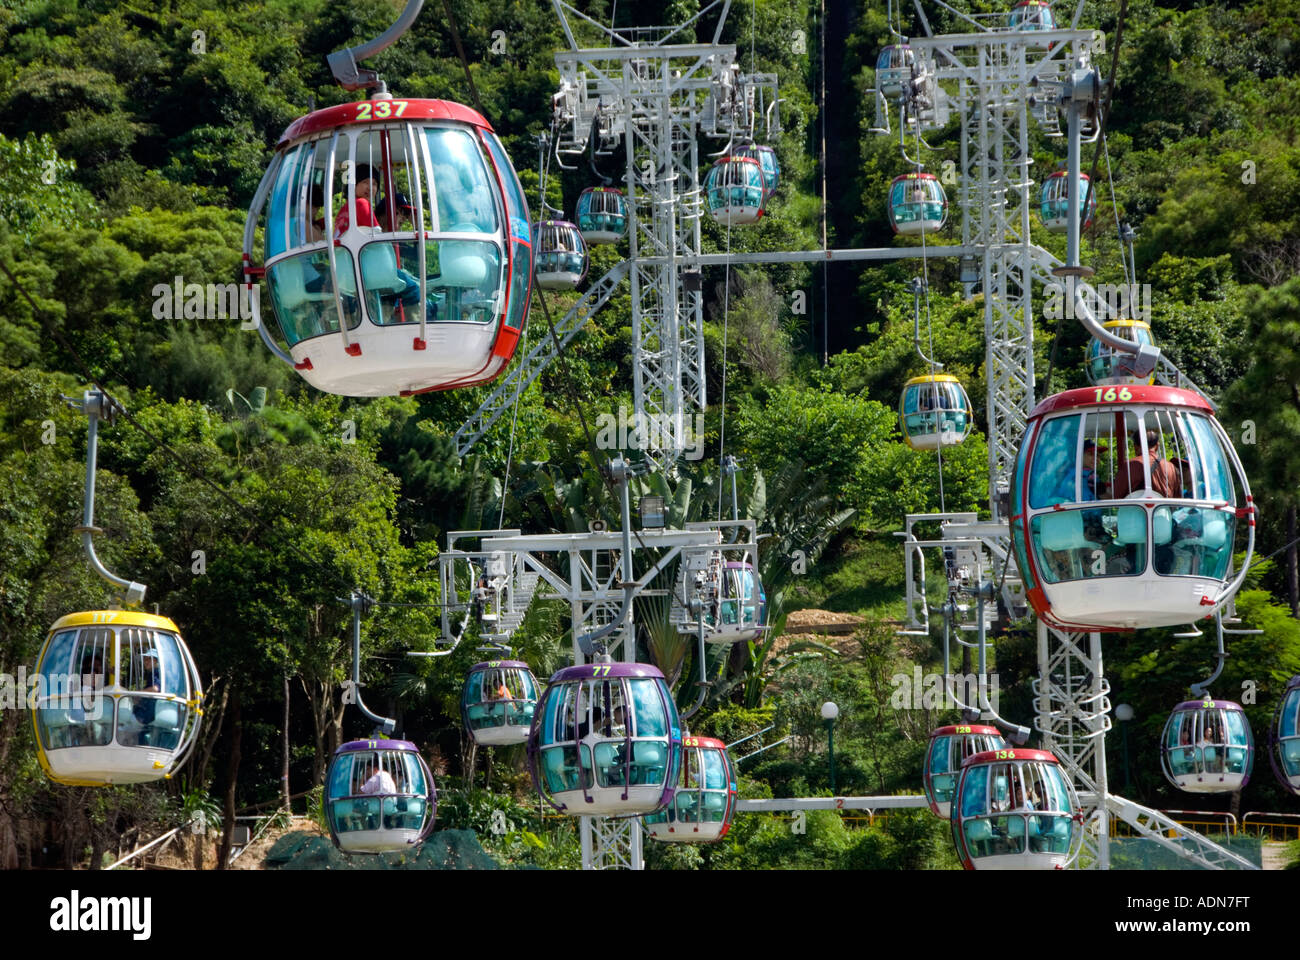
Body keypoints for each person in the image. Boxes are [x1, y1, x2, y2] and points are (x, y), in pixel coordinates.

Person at [1112, 429, 1180, 499]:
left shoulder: (1129, 466)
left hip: (1134, 509)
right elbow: (1177, 496)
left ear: (1135, 447)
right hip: (1163, 509)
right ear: (1157, 446)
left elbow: (1117, 495)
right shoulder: (1170, 466)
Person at [334, 164, 383, 239]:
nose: (370, 188)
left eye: (374, 184)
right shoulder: (361, 203)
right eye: (365, 182)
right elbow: (377, 236)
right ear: (354, 184)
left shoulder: (345, 208)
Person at [132, 649, 161, 746]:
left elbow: (156, 688)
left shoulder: (156, 673)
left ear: (156, 661)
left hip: (149, 711)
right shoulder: (152, 674)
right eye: (145, 659)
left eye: (149, 659)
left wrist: (137, 693)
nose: (146, 662)